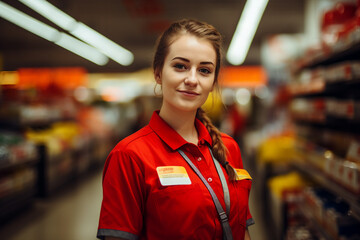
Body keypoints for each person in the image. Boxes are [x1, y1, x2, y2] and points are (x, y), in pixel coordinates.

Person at [97, 19, 254, 240]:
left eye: (204, 70)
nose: (192, 79)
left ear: (213, 81)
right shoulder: (129, 156)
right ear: (158, 73)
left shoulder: (228, 148)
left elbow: (241, 231)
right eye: (180, 66)